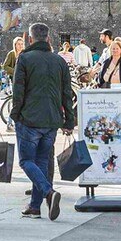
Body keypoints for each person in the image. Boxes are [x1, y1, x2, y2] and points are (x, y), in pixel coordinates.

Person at [11, 22, 77, 220]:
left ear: (30, 39)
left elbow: (18, 91)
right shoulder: (59, 61)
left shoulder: (24, 59)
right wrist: (69, 121)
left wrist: (15, 113)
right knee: (40, 162)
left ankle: (49, 192)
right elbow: (67, 93)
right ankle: (35, 207)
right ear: (48, 38)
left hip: (29, 118)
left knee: (25, 161)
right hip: (52, 120)